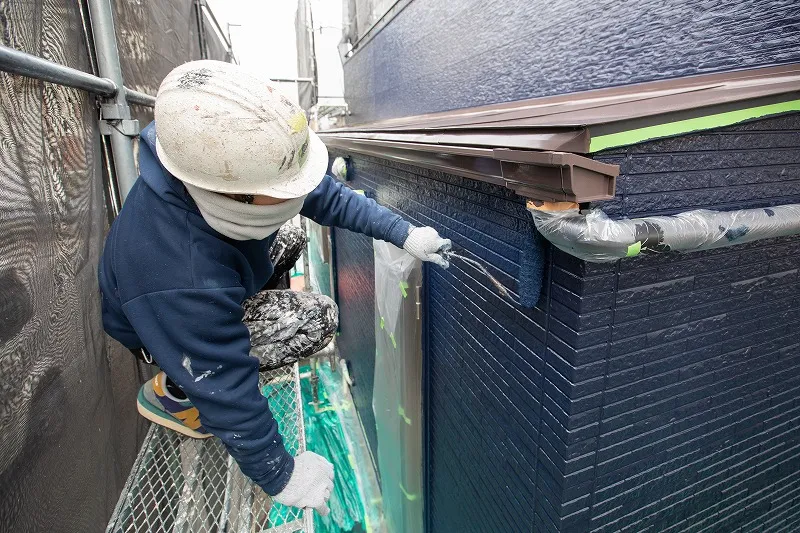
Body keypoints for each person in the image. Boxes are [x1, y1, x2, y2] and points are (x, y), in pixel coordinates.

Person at [98, 60, 451, 516]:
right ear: (234, 194)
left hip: (194, 300)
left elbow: (323, 195)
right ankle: (174, 395)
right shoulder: (178, 273)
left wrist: (402, 232)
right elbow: (221, 377)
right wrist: (280, 474)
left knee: (290, 231)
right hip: (165, 330)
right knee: (315, 318)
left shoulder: (222, 172)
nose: (296, 194)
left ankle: (216, 339)